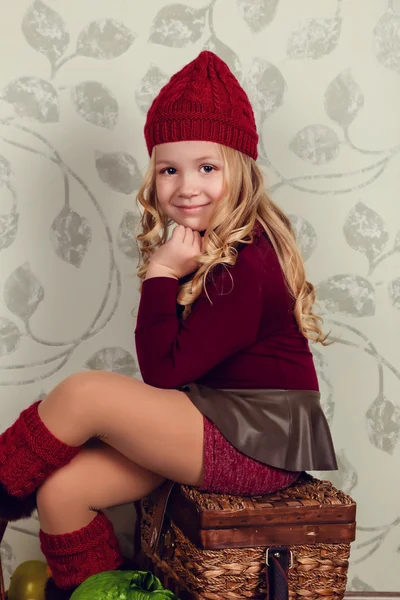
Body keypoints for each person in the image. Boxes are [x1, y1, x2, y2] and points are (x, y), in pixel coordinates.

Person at [0, 51, 337, 599]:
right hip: (212, 420)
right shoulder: (210, 246)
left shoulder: (243, 263)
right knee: (62, 492)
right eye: (168, 169)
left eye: (207, 167)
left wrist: (160, 275)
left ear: (241, 168)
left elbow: (161, 371)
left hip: (253, 440)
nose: (187, 186)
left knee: (85, 393)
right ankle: (100, 592)